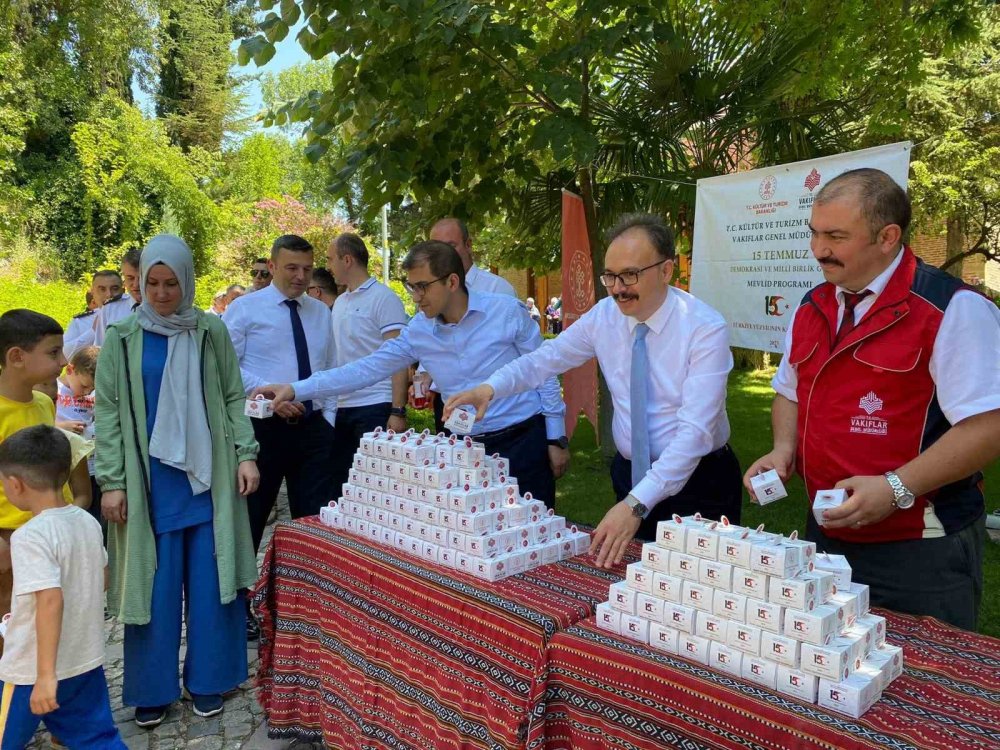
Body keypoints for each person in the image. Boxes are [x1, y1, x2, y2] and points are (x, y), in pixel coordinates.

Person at [742, 168, 1000, 631]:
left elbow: (988, 426)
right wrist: (784, 449)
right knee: (827, 669)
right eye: (815, 233)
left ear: (887, 237)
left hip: (919, 546)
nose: (818, 249)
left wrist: (896, 489)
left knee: (919, 681)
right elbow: (788, 392)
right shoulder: (813, 304)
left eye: (836, 236)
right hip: (826, 529)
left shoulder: (952, 308)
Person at [445, 214, 740, 567]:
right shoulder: (605, 316)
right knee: (638, 587)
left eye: (630, 274)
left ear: (666, 271)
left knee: (704, 593)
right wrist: (490, 388)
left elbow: (695, 432)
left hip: (700, 480)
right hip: (631, 474)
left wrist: (635, 504)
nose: (617, 288)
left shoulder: (704, 328)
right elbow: (546, 359)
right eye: (610, 276)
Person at [256, 241, 571, 508]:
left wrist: (555, 436)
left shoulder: (506, 312)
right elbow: (365, 369)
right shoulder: (419, 330)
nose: (415, 296)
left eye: (422, 286)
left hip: (522, 441)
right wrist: (297, 389)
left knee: (532, 539)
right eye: (411, 286)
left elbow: (542, 371)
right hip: (462, 450)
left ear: (451, 282)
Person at [95, 234, 260, 727]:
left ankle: (210, 681)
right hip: (150, 488)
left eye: (172, 283)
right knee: (154, 590)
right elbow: (107, 413)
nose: (163, 293)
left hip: (209, 483)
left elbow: (234, 396)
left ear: (187, 282)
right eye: (153, 283)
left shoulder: (210, 331)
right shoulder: (122, 338)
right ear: (141, 282)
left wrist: (246, 454)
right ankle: (152, 689)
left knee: (213, 586)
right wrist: (112, 481)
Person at [0, 426, 126, 749]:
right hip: (83, 661)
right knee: (98, 739)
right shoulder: (86, 521)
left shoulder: (28, 536)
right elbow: (102, 578)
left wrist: (45, 676)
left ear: (16, 485)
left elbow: (51, 599)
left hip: (31, 672)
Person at [223, 235, 337, 558]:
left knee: (313, 523)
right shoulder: (244, 310)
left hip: (313, 430)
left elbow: (329, 367)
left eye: (307, 268)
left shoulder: (320, 313)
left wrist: (327, 421)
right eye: (291, 268)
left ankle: (305, 597)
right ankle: (238, 599)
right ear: (272, 266)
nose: (301, 276)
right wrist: (271, 393)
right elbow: (225, 367)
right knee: (250, 518)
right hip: (261, 430)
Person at [0, 310, 88, 657]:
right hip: (10, 541)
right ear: (16, 357)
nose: (64, 361)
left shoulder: (42, 402)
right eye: (53, 352)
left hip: (52, 532)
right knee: (11, 625)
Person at [326, 233, 409, 493]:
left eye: (331, 259)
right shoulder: (339, 301)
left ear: (347, 259)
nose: (328, 266)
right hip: (341, 407)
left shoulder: (384, 299)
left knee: (376, 487)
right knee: (343, 485)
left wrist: (397, 410)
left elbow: (399, 357)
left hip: (375, 405)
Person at [422, 218, 517, 430]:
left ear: (469, 244)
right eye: (435, 248)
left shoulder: (499, 291)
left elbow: (529, 359)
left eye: (451, 246)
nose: (442, 255)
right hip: (452, 411)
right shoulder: (429, 296)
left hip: (499, 415)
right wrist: (427, 375)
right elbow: (429, 341)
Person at [63, 269, 123, 359]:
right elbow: (65, 354)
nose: (109, 294)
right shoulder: (81, 321)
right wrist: (92, 332)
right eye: (102, 289)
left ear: (123, 291)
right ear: (93, 293)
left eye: (115, 289)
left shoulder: (134, 314)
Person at [94, 248, 143, 346]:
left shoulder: (162, 307)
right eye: (130, 278)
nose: (136, 284)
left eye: (141, 277)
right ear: (124, 278)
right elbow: (100, 348)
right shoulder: (110, 309)